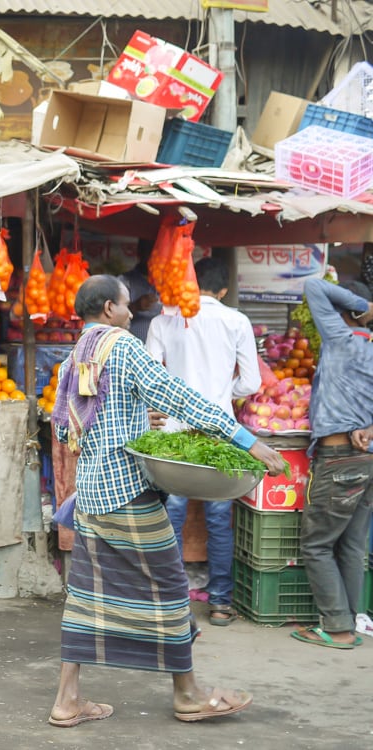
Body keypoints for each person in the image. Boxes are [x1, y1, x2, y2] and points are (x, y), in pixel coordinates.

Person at [48, 274, 284, 727]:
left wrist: (136, 416)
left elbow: (65, 429)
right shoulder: (122, 346)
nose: (132, 311)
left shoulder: (73, 358)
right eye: (125, 304)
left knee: (85, 597)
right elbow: (180, 397)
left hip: (91, 495)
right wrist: (245, 439)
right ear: (108, 309)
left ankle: (67, 700)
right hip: (128, 493)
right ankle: (188, 695)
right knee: (171, 589)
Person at [145, 257, 261, 627]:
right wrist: (225, 391)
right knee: (218, 519)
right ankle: (221, 604)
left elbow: (150, 377)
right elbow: (251, 384)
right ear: (224, 289)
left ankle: (174, 603)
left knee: (171, 519)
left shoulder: (164, 321)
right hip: (220, 432)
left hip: (175, 436)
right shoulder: (237, 320)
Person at [291, 277, 373, 649]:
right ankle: (349, 624)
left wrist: (359, 304)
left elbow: (313, 285)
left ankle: (338, 629)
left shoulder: (340, 339)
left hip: (339, 459)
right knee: (353, 546)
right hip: (367, 459)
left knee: (317, 544)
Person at [118, 239, 161, 343]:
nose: (154, 257)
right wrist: (136, 306)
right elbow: (113, 315)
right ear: (140, 253)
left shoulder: (171, 282)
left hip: (164, 350)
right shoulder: (124, 281)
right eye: (150, 252)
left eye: (158, 252)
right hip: (133, 348)